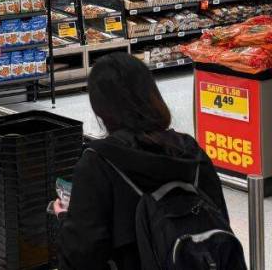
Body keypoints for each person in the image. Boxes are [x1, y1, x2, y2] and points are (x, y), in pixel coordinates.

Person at [57, 52, 231, 270]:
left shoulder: (98, 163)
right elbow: (220, 221)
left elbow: (81, 255)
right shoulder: (189, 150)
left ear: (101, 109)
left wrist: (64, 218)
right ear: (152, 94)